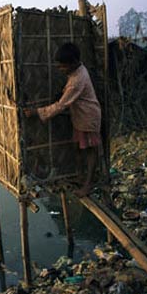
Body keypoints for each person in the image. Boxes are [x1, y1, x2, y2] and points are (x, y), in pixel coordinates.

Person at [24, 43, 102, 197]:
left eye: (62, 67)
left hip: (88, 117)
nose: (60, 70)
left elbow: (61, 106)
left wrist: (36, 112)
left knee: (91, 152)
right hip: (80, 117)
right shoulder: (78, 71)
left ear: (73, 62)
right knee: (80, 148)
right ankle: (81, 177)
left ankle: (88, 185)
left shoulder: (77, 81)